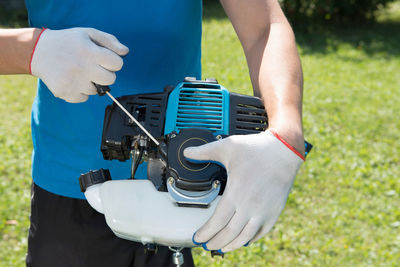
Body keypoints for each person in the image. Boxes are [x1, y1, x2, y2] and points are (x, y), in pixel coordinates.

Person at [0, 0, 306, 266]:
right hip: (69, 193)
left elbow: (264, 28)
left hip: (181, 185)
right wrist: (32, 50)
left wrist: (285, 133)